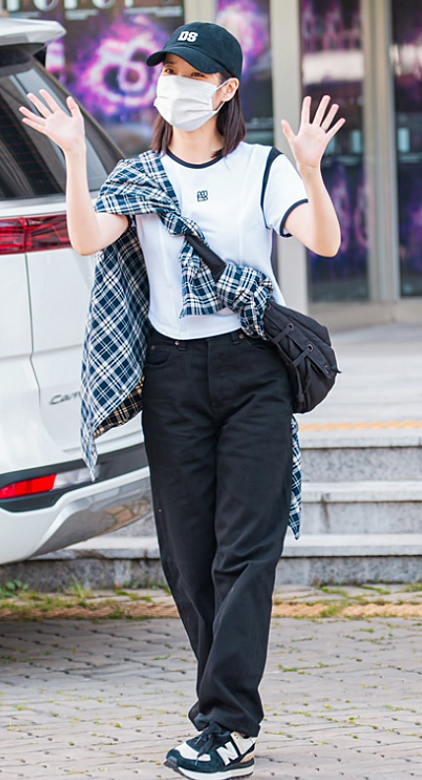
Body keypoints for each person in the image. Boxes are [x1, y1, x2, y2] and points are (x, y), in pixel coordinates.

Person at [19, 21, 344, 780]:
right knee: (189, 558)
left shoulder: (263, 168)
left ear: (225, 89)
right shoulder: (139, 175)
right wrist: (74, 157)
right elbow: (88, 239)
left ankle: (228, 723)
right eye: (168, 70)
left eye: (193, 74)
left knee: (246, 550)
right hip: (172, 379)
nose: (175, 86)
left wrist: (310, 169)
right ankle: (223, 712)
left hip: (253, 372)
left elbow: (324, 241)